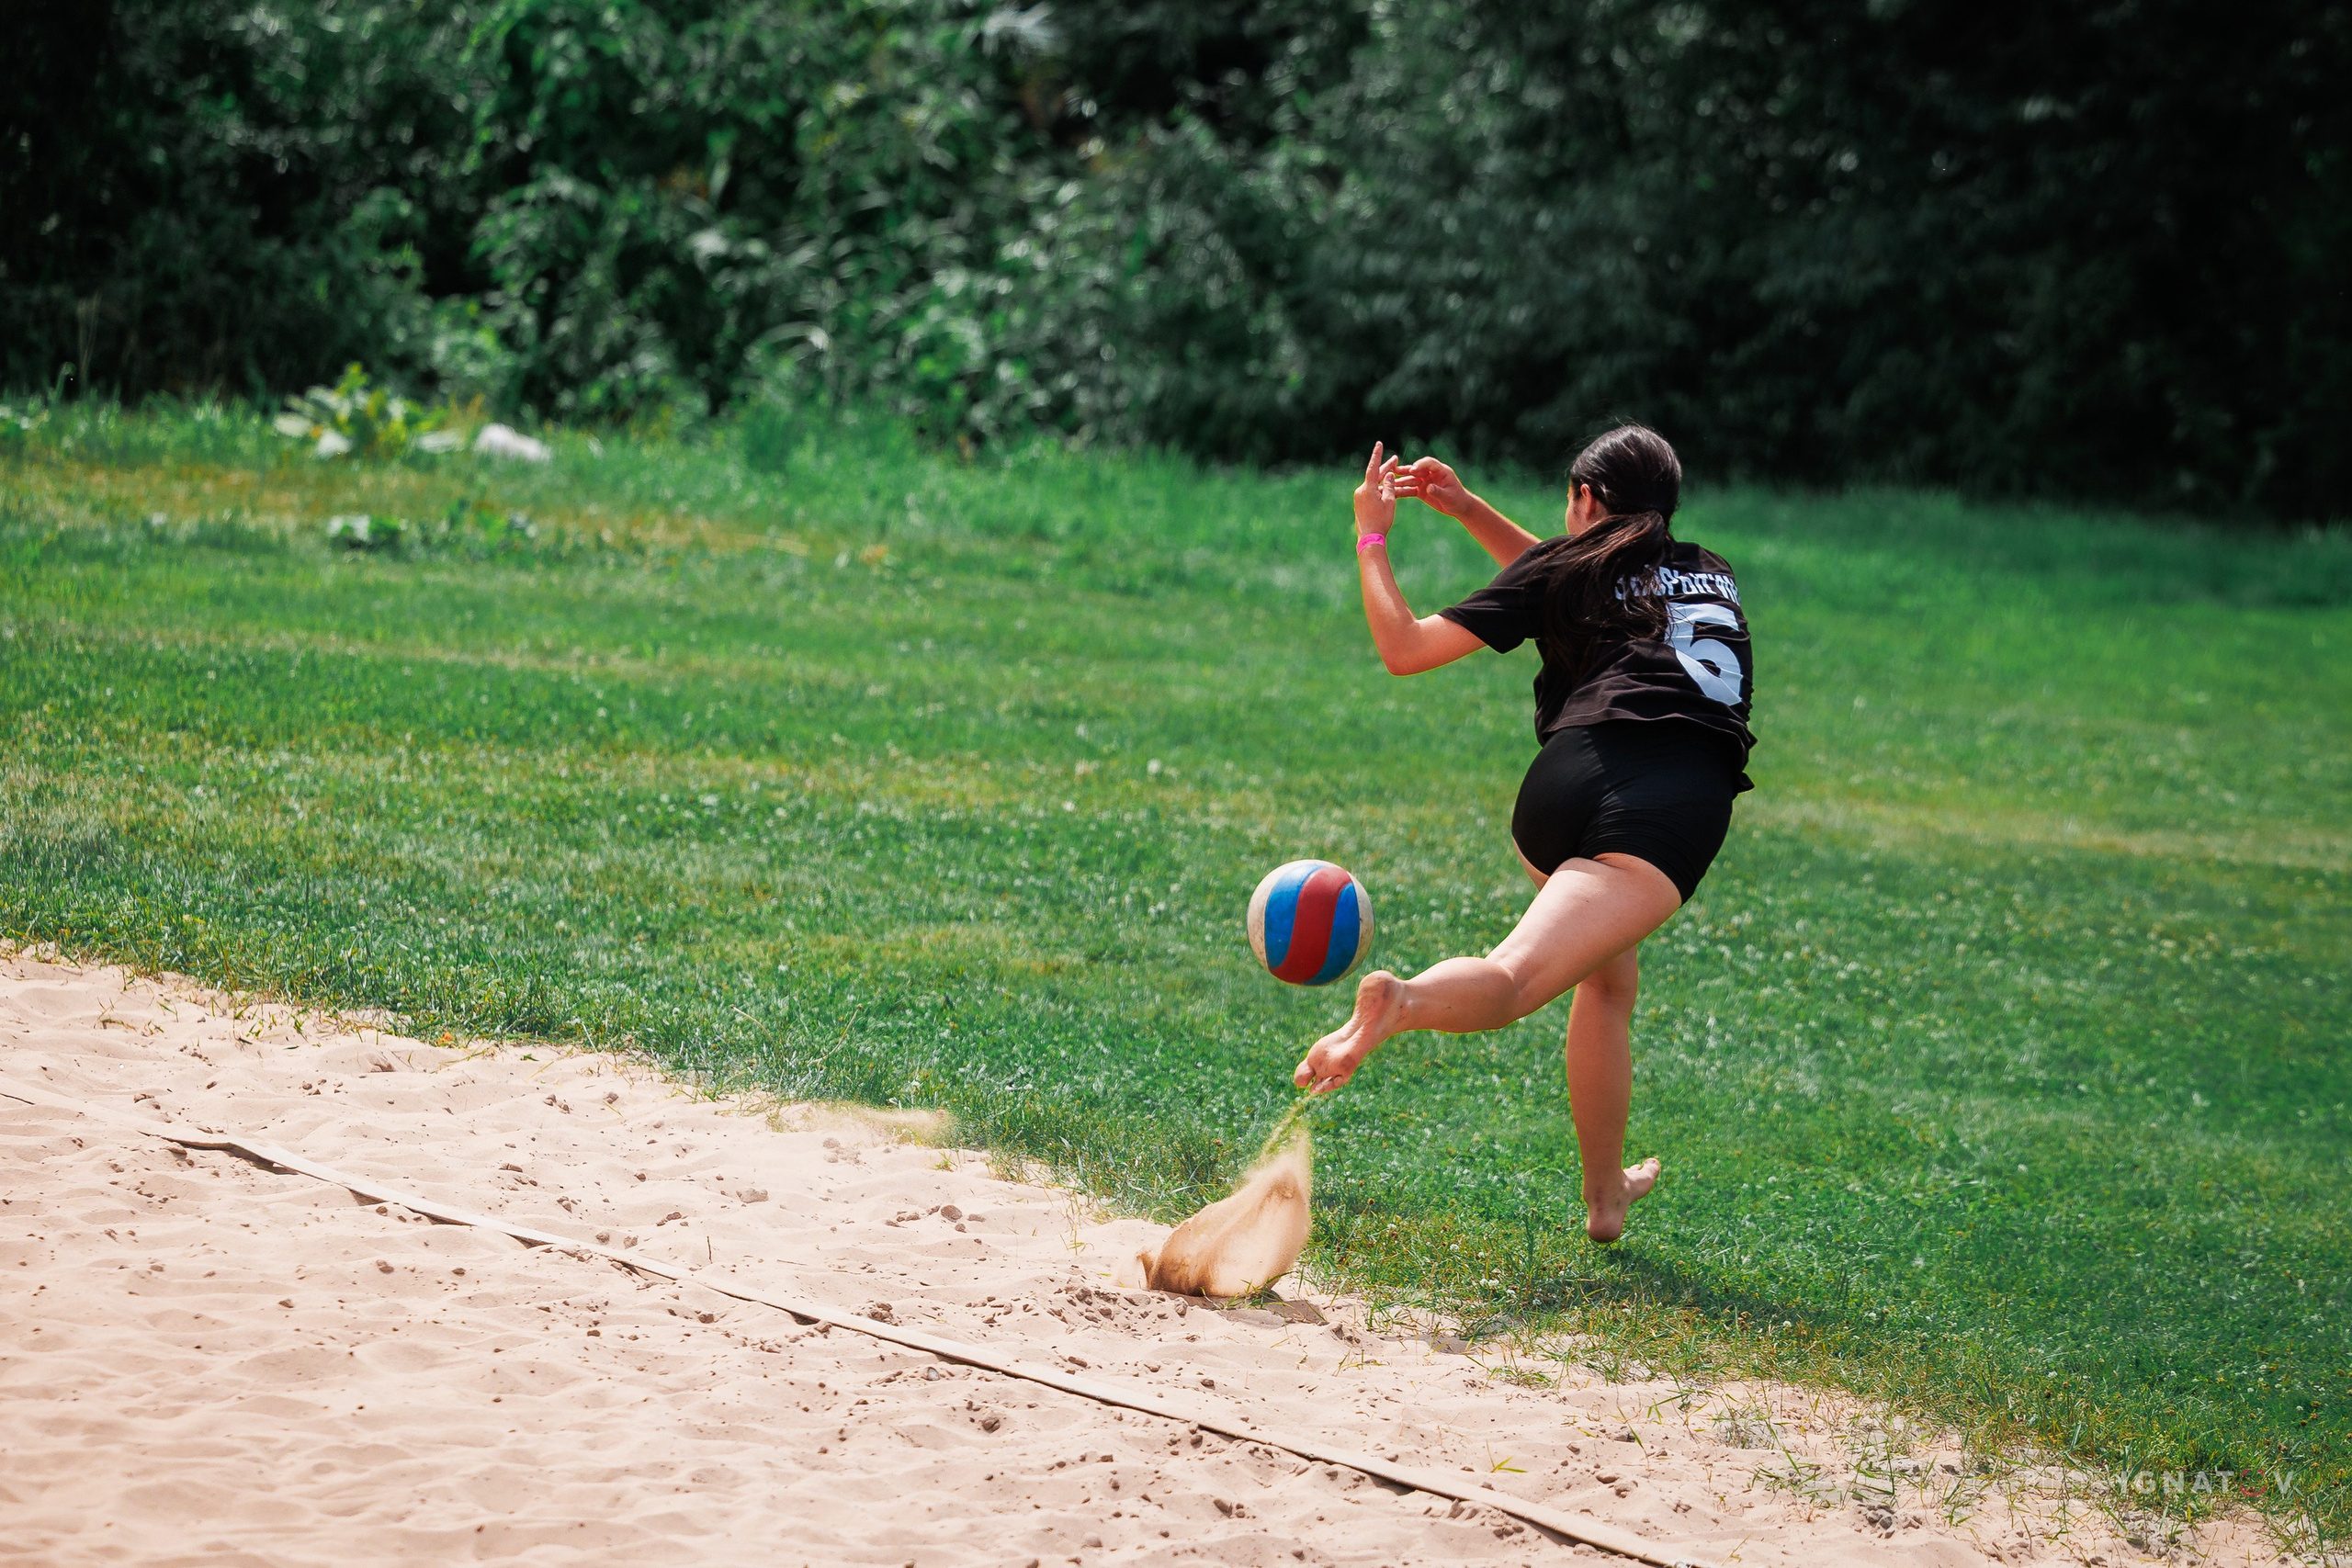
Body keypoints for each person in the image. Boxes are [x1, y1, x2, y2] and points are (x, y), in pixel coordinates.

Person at [1293, 424, 1755, 1243]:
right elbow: (1569, 572)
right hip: (1661, 807)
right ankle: (1399, 1003)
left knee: (1609, 983)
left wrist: (1371, 533)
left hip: (1564, 786)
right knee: (1511, 981)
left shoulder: (1571, 567)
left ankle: (1606, 1196)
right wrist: (1469, 509)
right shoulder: (1710, 571)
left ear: (1585, 499)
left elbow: (1412, 645)